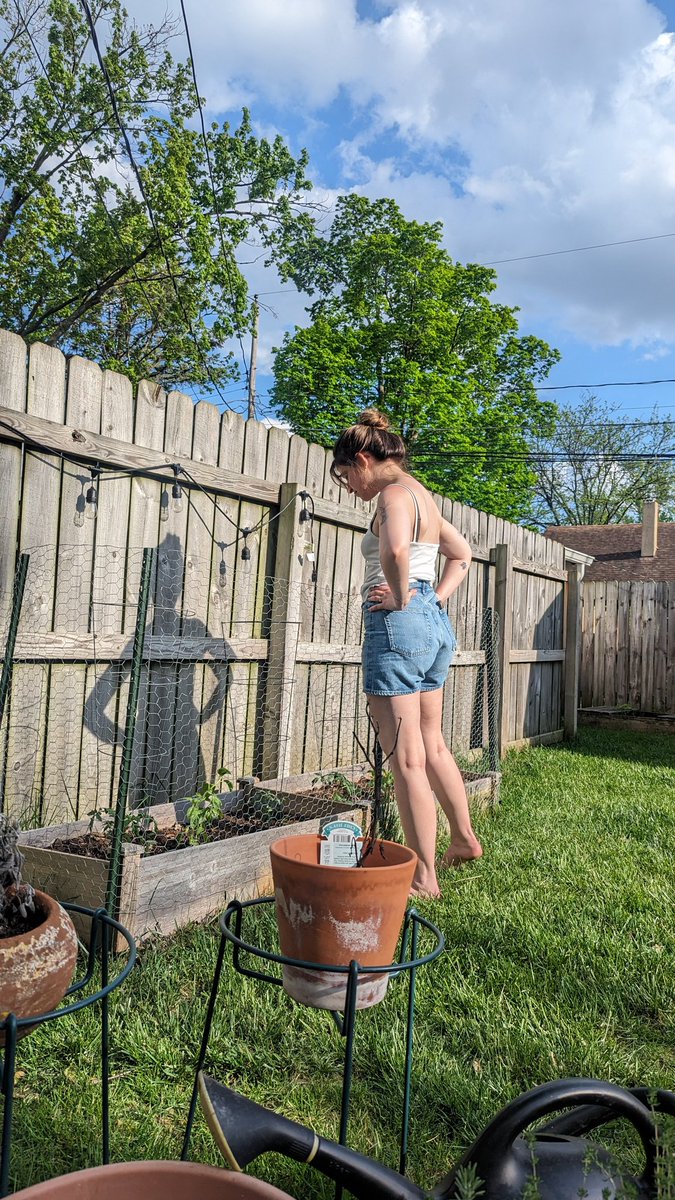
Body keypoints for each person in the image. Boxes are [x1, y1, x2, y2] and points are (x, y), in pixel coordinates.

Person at [331, 409, 482, 898]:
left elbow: (395, 552)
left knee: (406, 758)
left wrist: (400, 596)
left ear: (362, 460)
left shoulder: (393, 495)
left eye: (345, 475)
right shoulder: (425, 498)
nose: (348, 486)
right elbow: (462, 554)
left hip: (398, 623)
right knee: (433, 744)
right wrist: (435, 596)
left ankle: (424, 877)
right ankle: (463, 839)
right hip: (434, 626)